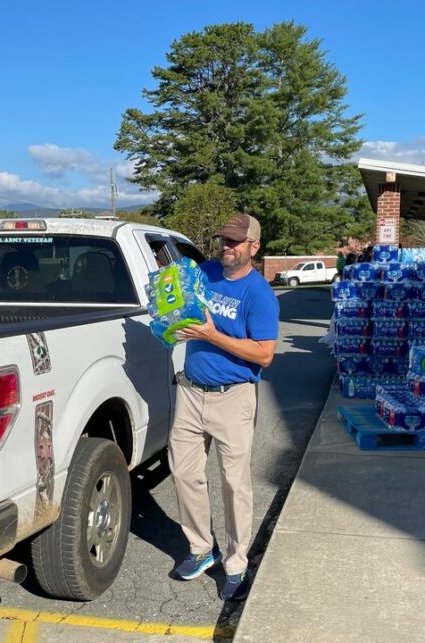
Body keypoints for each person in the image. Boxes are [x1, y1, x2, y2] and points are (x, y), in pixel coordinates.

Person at [169, 213, 279, 602]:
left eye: (235, 242)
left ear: (254, 247)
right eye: (223, 240)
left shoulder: (259, 294)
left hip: (233, 398)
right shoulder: (207, 272)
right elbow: (181, 299)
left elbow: (264, 355)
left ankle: (235, 564)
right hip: (190, 391)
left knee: (234, 485)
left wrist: (212, 335)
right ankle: (201, 549)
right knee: (184, 475)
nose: (226, 247)